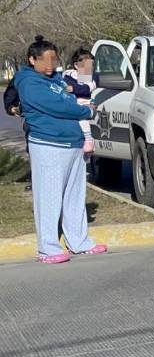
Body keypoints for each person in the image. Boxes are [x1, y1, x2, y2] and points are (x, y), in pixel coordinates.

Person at [12, 36, 107, 264]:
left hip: (72, 143)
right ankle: (48, 248)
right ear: (32, 60)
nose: (51, 65)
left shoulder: (56, 79)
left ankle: (79, 242)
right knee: (49, 198)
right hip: (49, 145)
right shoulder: (29, 82)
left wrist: (80, 104)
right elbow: (59, 106)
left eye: (54, 60)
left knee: (74, 197)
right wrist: (85, 111)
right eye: (46, 61)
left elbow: (82, 89)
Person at [62, 48, 96, 155]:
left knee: (82, 119)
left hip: (85, 103)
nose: (88, 67)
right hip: (72, 103)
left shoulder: (91, 77)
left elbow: (86, 88)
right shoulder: (68, 75)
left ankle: (89, 139)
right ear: (76, 65)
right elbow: (65, 85)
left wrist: (74, 88)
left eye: (90, 64)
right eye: (85, 64)